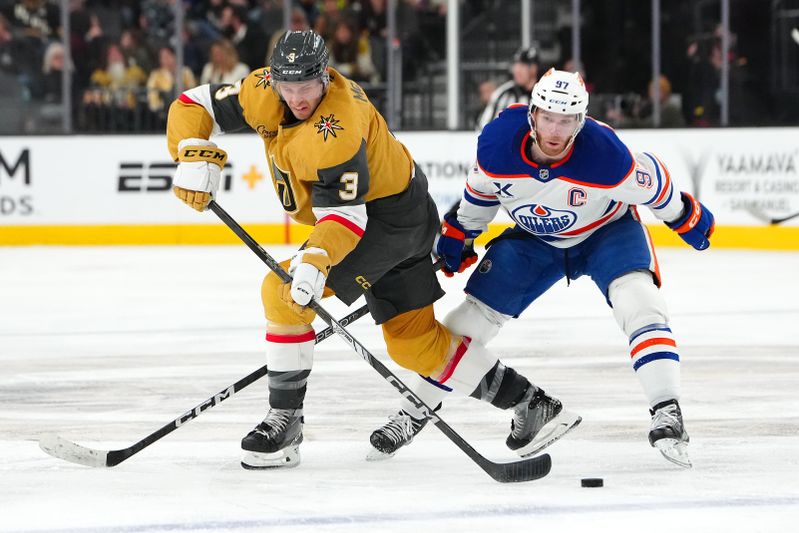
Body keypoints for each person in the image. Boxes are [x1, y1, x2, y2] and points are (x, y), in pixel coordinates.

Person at [165, 30, 580, 470]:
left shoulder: (338, 126)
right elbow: (194, 104)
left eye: (306, 87)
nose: (297, 98)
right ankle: (531, 403)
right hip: (402, 210)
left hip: (389, 224)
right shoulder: (262, 89)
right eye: (288, 88)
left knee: (281, 292)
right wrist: (192, 153)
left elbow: (347, 220)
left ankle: (285, 422)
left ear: (324, 76)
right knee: (413, 344)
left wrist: (314, 261)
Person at [369, 68, 715, 469]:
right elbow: (481, 194)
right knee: (466, 323)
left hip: (607, 232)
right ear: (532, 114)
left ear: (580, 122)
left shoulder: (605, 156)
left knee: (639, 302)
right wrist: (461, 233)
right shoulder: (498, 145)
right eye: (548, 117)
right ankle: (413, 411)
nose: (555, 130)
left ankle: (667, 410)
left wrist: (684, 215)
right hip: (536, 241)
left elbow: (653, 181)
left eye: (566, 120)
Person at [476, 45, 539, 131]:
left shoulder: (546, 94)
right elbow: (484, 127)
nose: (517, 70)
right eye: (515, 66)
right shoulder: (503, 94)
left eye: (522, 66)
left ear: (533, 68)